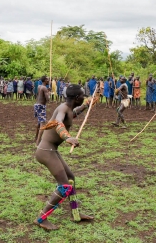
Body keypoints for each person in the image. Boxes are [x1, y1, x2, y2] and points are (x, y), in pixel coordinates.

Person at [34, 84, 95, 230]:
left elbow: (72, 114)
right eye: (82, 96)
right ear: (76, 98)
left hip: (51, 149)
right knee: (64, 186)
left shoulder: (68, 108)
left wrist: (87, 104)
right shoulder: (62, 109)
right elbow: (59, 123)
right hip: (46, 151)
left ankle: (76, 213)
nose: (83, 97)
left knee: (71, 178)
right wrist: (67, 137)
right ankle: (41, 219)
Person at [34, 76, 51, 144]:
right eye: (47, 79)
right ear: (44, 81)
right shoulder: (44, 88)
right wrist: (49, 92)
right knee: (42, 124)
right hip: (41, 106)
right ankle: (38, 142)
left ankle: (36, 137)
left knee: (39, 122)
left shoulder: (39, 86)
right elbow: (48, 99)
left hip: (36, 105)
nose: (48, 80)